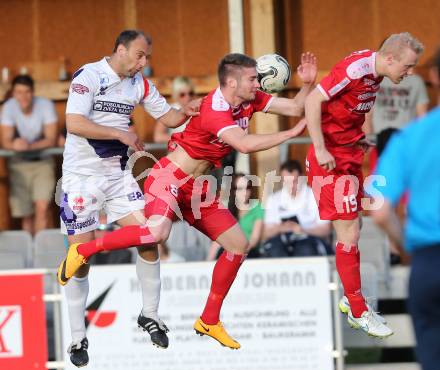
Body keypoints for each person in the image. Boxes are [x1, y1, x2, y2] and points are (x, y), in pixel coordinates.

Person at [57, 51, 318, 349]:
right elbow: (243, 145)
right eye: (253, 78)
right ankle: (84, 251)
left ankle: (209, 320)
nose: (258, 83)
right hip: (169, 177)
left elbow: (297, 105)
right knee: (156, 233)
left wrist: (308, 84)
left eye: (258, 78)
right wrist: (293, 133)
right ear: (232, 82)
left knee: (238, 245)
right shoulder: (214, 109)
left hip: (199, 188)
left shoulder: (250, 99)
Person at [58, 30, 200, 367]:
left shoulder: (141, 84)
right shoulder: (88, 75)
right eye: (139, 55)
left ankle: (149, 315)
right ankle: (78, 337)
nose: (143, 63)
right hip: (81, 179)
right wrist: (118, 133)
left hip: (118, 177)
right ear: (120, 50)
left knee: (150, 238)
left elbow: (170, 118)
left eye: (146, 57)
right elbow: (74, 122)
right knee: (80, 259)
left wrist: (192, 109)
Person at [304, 32, 424, 338]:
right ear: (391, 58)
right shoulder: (355, 69)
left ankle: (352, 298)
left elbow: (348, 108)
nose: (409, 73)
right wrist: (319, 147)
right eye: (408, 66)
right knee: (350, 231)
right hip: (329, 159)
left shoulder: (377, 73)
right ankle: (357, 309)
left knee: (353, 226)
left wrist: (357, 136)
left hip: (348, 154)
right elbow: (313, 100)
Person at [369, 105, 440, 370]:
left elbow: (381, 210)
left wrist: (405, 246)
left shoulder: (412, 136)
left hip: (428, 260)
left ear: (434, 77)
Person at [0, 74, 58, 235]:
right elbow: (5, 141)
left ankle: (39, 251)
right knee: (26, 214)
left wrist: (28, 146)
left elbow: (52, 139)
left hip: (43, 162)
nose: (23, 96)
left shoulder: (45, 105)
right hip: (18, 163)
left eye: (27, 92)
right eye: (19, 92)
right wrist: (15, 144)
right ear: (13, 93)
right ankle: (32, 255)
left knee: (42, 208)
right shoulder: (8, 107)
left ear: (33, 92)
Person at [263, 160, 332, 258]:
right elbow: (267, 232)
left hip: (309, 240)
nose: (291, 186)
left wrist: (302, 230)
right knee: (275, 250)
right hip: (281, 241)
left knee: (305, 249)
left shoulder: (317, 196)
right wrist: (282, 228)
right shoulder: (273, 199)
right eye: (286, 182)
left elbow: (325, 230)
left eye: (294, 181)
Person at [207, 173, 265, 260]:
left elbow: (254, 238)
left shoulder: (257, 208)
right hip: (230, 251)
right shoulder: (227, 210)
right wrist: (207, 263)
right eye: (240, 188)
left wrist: (240, 251)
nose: (245, 192)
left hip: (249, 252)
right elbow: (219, 240)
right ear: (233, 191)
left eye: (248, 187)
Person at [153, 76, 195, 143]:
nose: (188, 97)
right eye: (182, 94)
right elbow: (158, 137)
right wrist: (182, 140)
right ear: (175, 95)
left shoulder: (199, 110)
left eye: (190, 93)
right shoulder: (168, 110)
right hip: (176, 151)